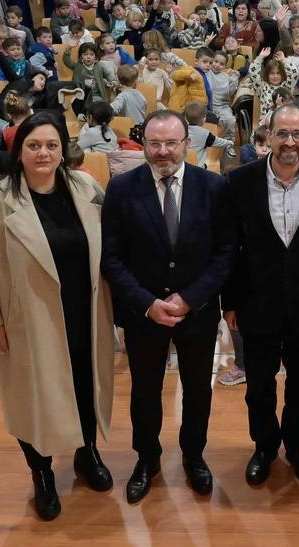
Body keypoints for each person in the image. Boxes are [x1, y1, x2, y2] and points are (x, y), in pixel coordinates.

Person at [0, 112, 114, 522]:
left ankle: (86, 453)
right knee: (32, 399)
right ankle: (42, 474)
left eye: (51, 145)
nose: (43, 153)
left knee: (85, 384)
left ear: (63, 149)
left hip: (85, 312)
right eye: (34, 146)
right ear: (19, 151)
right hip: (26, 321)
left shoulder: (86, 188)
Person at [100, 109, 234, 502]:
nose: (163, 151)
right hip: (144, 314)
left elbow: (225, 253)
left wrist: (189, 299)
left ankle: (194, 456)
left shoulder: (214, 187)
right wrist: (147, 303)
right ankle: (147, 459)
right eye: (154, 144)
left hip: (198, 311)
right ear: (143, 145)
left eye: (170, 143)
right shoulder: (122, 189)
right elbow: (111, 259)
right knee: (144, 390)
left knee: (197, 389)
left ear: (186, 144)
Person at [223, 105, 299, 487]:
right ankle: (264, 447)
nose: (289, 141)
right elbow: (229, 248)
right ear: (269, 135)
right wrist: (229, 304)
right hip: (256, 305)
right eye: (282, 133)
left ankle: (297, 448)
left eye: (297, 134)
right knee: (259, 385)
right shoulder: (239, 181)